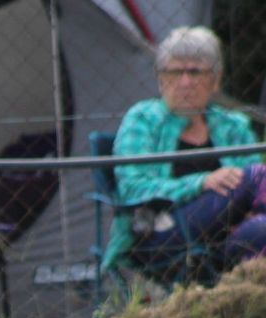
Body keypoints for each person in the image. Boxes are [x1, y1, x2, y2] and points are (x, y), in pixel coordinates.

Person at [109, 26, 266, 280]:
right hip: (163, 232)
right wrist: (202, 183)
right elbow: (133, 188)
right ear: (161, 79)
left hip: (223, 242)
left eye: (195, 72)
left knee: (262, 228)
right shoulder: (142, 120)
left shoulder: (232, 125)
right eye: (174, 71)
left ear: (215, 79)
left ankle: (238, 306)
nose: (185, 82)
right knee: (256, 176)